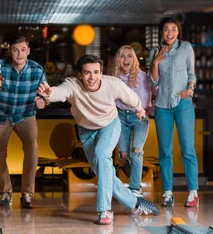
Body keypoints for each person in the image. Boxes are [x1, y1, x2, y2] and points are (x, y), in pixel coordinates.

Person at [36, 54, 160, 225]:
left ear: (101, 73)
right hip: (86, 131)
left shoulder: (112, 84)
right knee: (103, 170)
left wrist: (139, 109)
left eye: (96, 72)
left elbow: (132, 98)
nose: (92, 77)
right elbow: (60, 92)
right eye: (87, 73)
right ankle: (135, 203)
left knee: (102, 156)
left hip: (109, 125)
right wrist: (49, 94)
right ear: (80, 75)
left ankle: (104, 211)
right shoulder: (73, 85)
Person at [0, 35, 46, 208]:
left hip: (25, 114)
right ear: (10, 51)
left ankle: (27, 194)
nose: (19, 54)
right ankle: (5, 193)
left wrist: (43, 101)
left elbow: (45, 95)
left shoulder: (37, 70)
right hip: (0, 114)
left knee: (32, 146)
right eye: (15, 50)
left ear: (28, 51)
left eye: (23, 50)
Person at [150, 17, 199, 208]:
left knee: (187, 148)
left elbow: (191, 73)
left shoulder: (186, 47)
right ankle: (168, 193)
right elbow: (153, 82)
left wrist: (190, 89)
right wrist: (155, 63)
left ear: (178, 32)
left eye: (173, 29)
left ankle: (193, 193)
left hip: (183, 103)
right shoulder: (156, 51)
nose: (169, 33)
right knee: (165, 150)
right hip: (162, 106)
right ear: (161, 33)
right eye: (166, 30)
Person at [111, 45, 154, 197]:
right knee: (123, 155)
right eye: (122, 56)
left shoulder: (143, 77)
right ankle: (137, 174)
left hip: (139, 117)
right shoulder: (114, 79)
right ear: (118, 60)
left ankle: (135, 188)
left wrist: (151, 109)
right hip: (121, 116)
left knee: (136, 151)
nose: (126, 59)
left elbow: (153, 95)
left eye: (129, 56)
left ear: (134, 59)